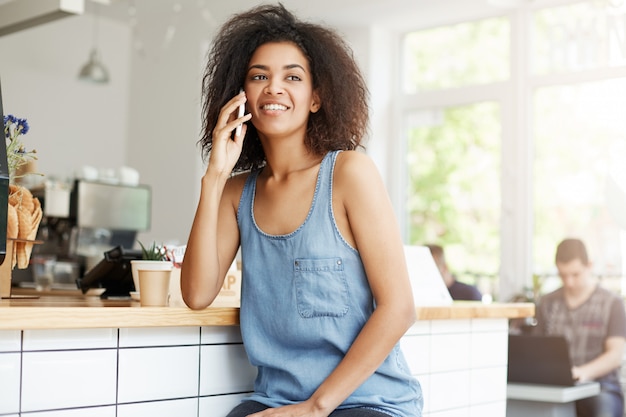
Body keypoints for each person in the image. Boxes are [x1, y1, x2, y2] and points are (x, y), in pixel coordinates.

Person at [180, 4, 422, 417]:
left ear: (315, 99)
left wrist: (315, 407)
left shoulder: (350, 174)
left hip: (366, 401)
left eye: (292, 77)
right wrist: (214, 176)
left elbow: (399, 308)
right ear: (241, 98)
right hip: (277, 401)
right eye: (259, 76)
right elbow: (197, 294)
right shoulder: (236, 193)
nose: (274, 88)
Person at [533, 238, 626, 417]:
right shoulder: (547, 303)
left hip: (601, 387)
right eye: (563, 275)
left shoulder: (612, 303)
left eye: (575, 274)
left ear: (589, 266)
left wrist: (582, 373)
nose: (569, 282)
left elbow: (614, 356)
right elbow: (538, 349)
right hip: (557, 387)